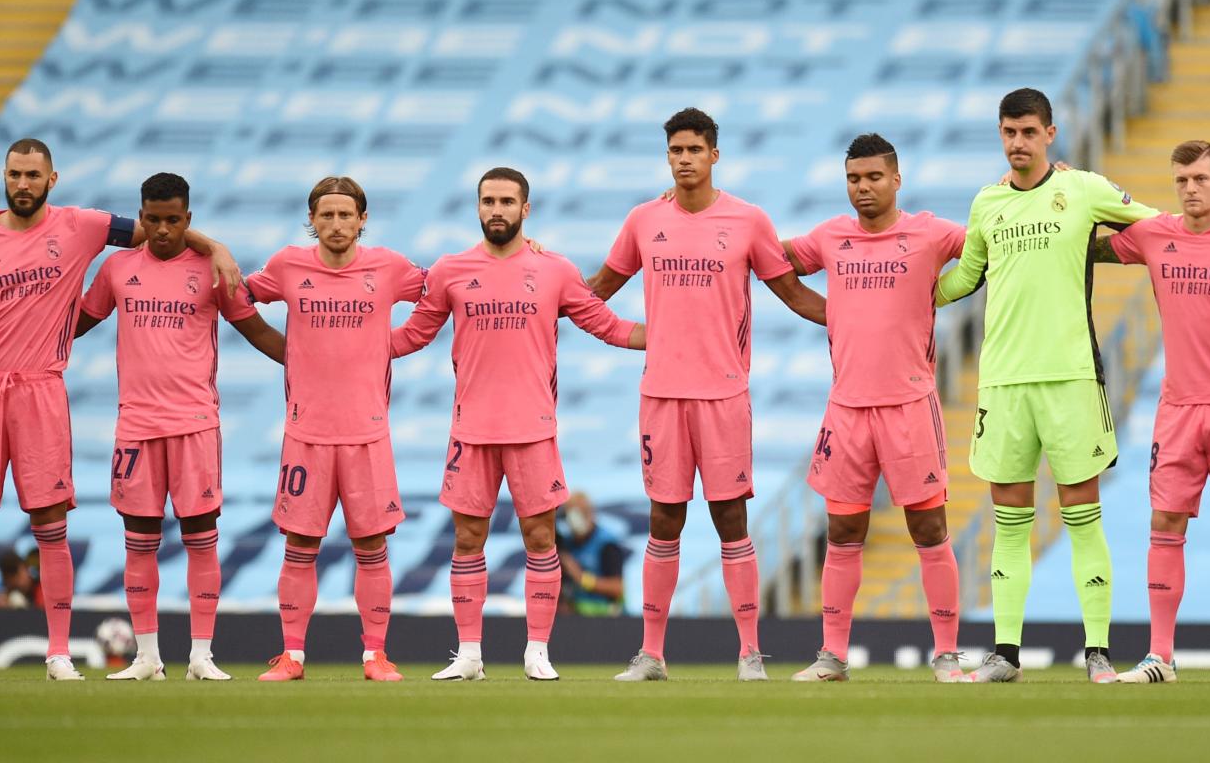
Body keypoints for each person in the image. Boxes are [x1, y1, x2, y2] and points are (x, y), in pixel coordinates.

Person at [935, 89, 1210, 684]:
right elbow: (966, 275)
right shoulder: (986, 203)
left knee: (1080, 516)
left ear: (1050, 133)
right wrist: (908, 292)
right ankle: (1005, 654)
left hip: (1071, 377)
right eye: (1009, 132)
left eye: (1029, 132)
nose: (1018, 143)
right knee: (1008, 518)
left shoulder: (1084, 189)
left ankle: (1097, 652)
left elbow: (1166, 224)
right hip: (1004, 379)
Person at [0, 138, 239, 680]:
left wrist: (214, 246)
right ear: (4, 176)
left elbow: (160, 231)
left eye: (33, 175)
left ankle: (58, 652)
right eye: (15, 174)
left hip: (42, 388)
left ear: (51, 180)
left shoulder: (81, 226)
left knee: (50, 523)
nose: (23, 184)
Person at [587, 107, 826, 682]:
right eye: (676, 151)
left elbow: (792, 292)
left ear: (714, 155)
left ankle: (749, 654)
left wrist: (863, 319)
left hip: (722, 394)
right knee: (663, 519)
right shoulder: (644, 220)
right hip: (662, 394)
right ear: (667, 156)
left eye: (695, 149)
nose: (685, 159)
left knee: (730, 518)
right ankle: (651, 655)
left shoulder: (747, 220)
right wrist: (620, 330)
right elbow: (594, 290)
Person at [389, 167, 645, 682]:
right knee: (467, 539)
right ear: (477, 207)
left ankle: (537, 651)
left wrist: (672, 334)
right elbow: (412, 335)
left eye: (507, 201)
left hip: (533, 428)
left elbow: (606, 324)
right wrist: (337, 345)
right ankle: (469, 655)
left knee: (540, 536)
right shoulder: (450, 270)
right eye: (488, 201)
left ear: (526, 209)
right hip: (471, 430)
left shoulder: (554, 270)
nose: (497, 209)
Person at [1084, 140, 1210, 685]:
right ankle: (1160, 657)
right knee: (1165, 523)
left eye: (1200, 178)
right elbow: (1090, 246)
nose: (1191, 188)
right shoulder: (1154, 233)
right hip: (1177, 406)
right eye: (1182, 180)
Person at [75, 172, 286, 682]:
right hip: (136, 426)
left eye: (174, 220)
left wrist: (316, 366)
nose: (164, 229)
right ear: (141, 218)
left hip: (194, 424)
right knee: (139, 537)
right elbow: (75, 324)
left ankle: (200, 656)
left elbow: (256, 329)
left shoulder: (212, 271)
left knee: (200, 535)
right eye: (154, 219)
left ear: (188, 220)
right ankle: (146, 657)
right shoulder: (118, 268)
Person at [785, 133, 967, 683]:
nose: (862, 188)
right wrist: (826, 312)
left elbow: (990, 246)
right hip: (847, 408)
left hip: (910, 403)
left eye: (872, 177)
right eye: (853, 179)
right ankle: (833, 657)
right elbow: (773, 262)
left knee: (930, 528)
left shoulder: (931, 232)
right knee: (842, 532)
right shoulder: (830, 236)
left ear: (896, 179)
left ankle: (947, 655)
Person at [245, 176, 426, 683]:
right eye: (326, 215)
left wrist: (396, 343)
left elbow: (447, 287)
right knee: (299, 545)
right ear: (312, 219)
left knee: (372, 547)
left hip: (368, 432)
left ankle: (375, 656)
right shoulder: (287, 265)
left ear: (362, 219)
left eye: (346, 214)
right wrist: (280, 349)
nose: (337, 224)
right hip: (306, 432)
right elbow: (237, 298)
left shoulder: (388, 267)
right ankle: (292, 657)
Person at [557, 493, 628, 615]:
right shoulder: (566, 545)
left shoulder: (607, 544)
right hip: (576, 616)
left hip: (607, 618)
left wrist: (582, 578)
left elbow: (617, 588)